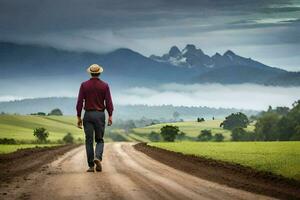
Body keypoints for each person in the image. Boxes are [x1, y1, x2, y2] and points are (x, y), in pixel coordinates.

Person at [76, 64, 114, 172]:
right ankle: (97, 157)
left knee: (89, 141)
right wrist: (110, 115)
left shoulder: (84, 85)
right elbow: (109, 102)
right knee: (100, 140)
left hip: (88, 115)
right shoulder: (105, 86)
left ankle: (91, 166)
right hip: (100, 115)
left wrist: (79, 116)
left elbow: (79, 102)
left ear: (90, 73)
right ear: (99, 73)